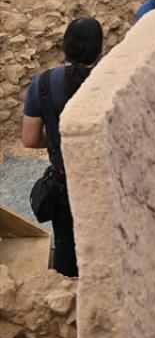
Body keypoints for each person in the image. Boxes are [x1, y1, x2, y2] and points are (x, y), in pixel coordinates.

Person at [20, 17, 104, 277]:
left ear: (65, 46)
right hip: (105, 182)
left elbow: (30, 139)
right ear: (99, 49)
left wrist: (57, 140)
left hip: (64, 181)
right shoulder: (111, 83)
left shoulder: (43, 84)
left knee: (66, 247)